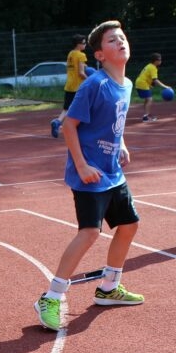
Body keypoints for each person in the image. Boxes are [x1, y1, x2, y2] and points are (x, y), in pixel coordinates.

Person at [34, 20, 144, 331]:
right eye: (112, 40)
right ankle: (51, 297)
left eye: (122, 37)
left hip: (112, 171)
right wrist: (82, 166)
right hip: (90, 173)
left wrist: (122, 144)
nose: (120, 42)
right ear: (99, 54)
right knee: (90, 232)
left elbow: (113, 122)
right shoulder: (94, 85)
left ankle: (109, 288)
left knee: (129, 224)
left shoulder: (127, 84)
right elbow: (69, 125)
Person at [52, 34, 88, 136]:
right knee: (82, 107)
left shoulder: (70, 54)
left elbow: (74, 67)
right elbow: (81, 73)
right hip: (78, 86)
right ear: (78, 44)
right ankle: (76, 127)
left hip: (69, 85)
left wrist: (84, 65)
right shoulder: (81, 55)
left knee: (66, 108)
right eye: (84, 43)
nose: (85, 44)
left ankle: (57, 122)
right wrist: (90, 80)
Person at [134, 52, 173, 122]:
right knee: (149, 99)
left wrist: (151, 85)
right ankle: (146, 117)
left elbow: (148, 77)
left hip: (139, 83)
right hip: (142, 84)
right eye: (159, 60)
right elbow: (155, 80)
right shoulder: (153, 68)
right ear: (155, 61)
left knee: (147, 99)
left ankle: (146, 115)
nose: (161, 61)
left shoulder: (149, 66)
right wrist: (165, 86)